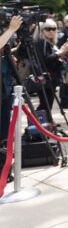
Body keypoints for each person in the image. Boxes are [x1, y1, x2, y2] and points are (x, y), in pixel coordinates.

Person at [35, 18, 68, 115]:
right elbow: (46, 60)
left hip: (51, 77)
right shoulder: (42, 42)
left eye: (54, 29)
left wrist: (60, 54)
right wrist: (60, 53)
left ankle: (47, 122)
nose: (51, 31)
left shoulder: (50, 43)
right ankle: (37, 126)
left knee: (47, 103)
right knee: (45, 104)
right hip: (45, 77)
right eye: (48, 29)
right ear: (42, 31)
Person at [0, 16, 22, 144]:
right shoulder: (9, 31)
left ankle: (4, 151)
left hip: (5, 84)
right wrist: (11, 29)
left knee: (5, 120)